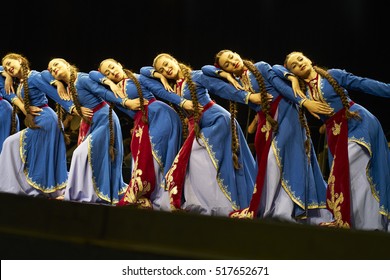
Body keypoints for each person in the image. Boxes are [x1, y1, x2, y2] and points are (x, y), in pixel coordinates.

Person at [201, 49, 333, 224]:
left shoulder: (260, 67)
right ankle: (274, 208)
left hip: (286, 113)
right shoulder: (235, 82)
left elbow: (280, 86)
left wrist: (304, 101)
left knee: (278, 161)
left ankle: (284, 209)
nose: (232, 62)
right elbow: (205, 71)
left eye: (232, 56)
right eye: (227, 63)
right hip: (267, 122)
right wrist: (223, 74)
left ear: (237, 54)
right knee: (267, 165)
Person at [273, 51, 390, 231]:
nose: (299, 64)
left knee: (342, 171)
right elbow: (273, 70)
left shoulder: (332, 75)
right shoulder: (300, 91)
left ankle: (347, 222)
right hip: (336, 134)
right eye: (294, 66)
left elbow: (363, 83)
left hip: (359, 123)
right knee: (355, 177)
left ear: (309, 59)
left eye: (300, 59)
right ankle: (367, 224)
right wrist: (292, 80)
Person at [139, 53, 257, 216]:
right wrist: (159, 76)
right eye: (162, 69)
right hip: (201, 126)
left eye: (167, 64)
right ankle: (208, 203)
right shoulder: (170, 87)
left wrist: (248, 97)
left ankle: (219, 205)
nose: (167, 69)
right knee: (197, 162)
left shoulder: (196, 76)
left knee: (199, 158)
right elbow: (143, 74)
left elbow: (222, 89)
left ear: (175, 60)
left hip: (218, 121)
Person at [44, 58, 142, 205]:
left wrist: (125, 102)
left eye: (56, 65)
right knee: (91, 158)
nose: (53, 70)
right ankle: (86, 191)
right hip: (94, 122)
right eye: (51, 69)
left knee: (80, 154)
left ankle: (76, 194)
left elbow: (102, 92)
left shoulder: (81, 79)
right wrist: (57, 83)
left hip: (104, 119)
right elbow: (43, 75)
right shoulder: (69, 86)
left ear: (66, 63)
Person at [89, 58, 183, 210]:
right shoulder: (109, 91)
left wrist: (159, 77)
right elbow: (92, 76)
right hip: (143, 122)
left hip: (160, 115)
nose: (112, 72)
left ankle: (165, 197)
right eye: (107, 73)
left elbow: (148, 73)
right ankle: (152, 196)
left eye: (113, 67)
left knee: (158, 156)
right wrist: (111, 84)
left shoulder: (138, 78)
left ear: (120, 64)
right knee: (140, 156)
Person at [0, 53, 74, 198]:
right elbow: (4, 79)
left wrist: (72, 108)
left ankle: (46, 188)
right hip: (39, 121)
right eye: (6, 66)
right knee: (13, 145)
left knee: (11, 143)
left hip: (46, 120)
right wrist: (6, 74)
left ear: (20, 60)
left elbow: (54, 94)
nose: (9, 67)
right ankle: (15, 185)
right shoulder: (20, 82)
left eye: (11, 63)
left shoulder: (33, 77)